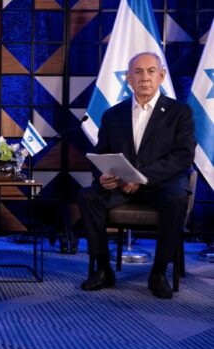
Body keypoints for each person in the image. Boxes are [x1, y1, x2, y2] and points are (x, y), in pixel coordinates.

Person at [78, 51, 196, 299]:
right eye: (138, 72)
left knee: (176, 198)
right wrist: (103, 175)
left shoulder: (180, 112)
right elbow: (102, 154)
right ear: (128, 79)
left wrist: (140, 177)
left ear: (161, 76)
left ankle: (158, 273)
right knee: (88, 196)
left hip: (160, 186)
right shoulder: (113, 115)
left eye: (151, 71)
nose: (145, 78)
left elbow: (183, 156)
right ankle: (102, 269)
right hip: (121, 187)